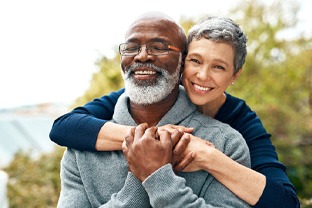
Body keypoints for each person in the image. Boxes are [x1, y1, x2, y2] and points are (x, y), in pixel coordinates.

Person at [50, 16, 300, 207]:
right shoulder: (84, 145)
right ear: (183, 64)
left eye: (219, 67)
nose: (202, 75)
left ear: (235, 75)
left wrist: (206, 159)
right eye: (196, 61)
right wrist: (149, 143)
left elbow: (285, 202)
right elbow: (63, 126)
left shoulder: (236, 133)